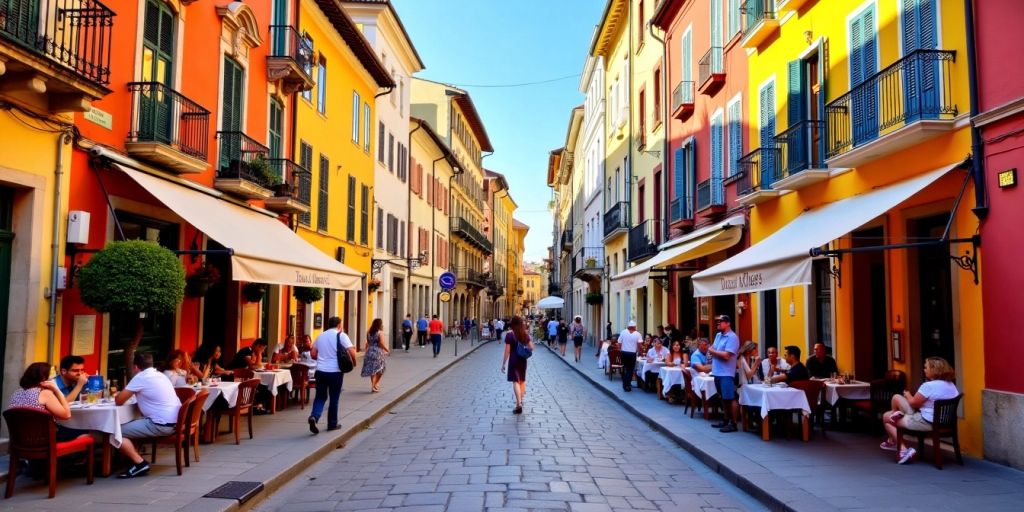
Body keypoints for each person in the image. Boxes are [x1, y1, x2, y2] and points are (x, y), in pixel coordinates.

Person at [881, 357, 959, 464]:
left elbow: (913, 403)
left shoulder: (928, 386)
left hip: (925, 422)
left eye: (926, 367)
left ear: (933, 369)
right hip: (943, 422)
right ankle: (898, 417)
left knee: (887, 419)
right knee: (896, 397)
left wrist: (908, 394)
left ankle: (903, 450)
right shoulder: (951, 385)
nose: (924, 370)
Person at [114, 353, 182, 478]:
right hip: (174, 422)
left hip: (161, 424)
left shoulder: (141, 377)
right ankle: (131, 460)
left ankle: (139, 463)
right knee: (131, 424)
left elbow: (119, 400)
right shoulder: (160, 375)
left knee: (114, 431)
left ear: (135, 367)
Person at [8, 362, 88, 442]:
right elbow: (67, 415)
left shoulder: (16, 393)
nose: (53, 380)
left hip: (20, 440)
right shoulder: (45, 393)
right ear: (44, 379)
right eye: (51, 378)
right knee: (87, 431)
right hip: (44, 440)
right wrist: (56, 389)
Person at [308, 316, 356, 434]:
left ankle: (314, 416)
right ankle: (332, 424)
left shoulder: (320, 336)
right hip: (335, 372)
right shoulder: (341, 335)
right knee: (334, 397)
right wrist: (354, 363)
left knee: (320, 396)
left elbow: (313, 354)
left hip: (320, 371)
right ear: (339, 325)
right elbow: (352, 351)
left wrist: (321, 357)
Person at [708, 315, 740, 433]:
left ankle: (734, 423)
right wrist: (713, 351)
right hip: (716, 371)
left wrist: (712, 351)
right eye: (717, 322)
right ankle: (726, 419)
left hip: (726, 372)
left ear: (728, 323)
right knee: (722, 397)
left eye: (720, 322)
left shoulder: (732, 338)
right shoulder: (718, 335)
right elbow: (714, 348)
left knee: (730, 397)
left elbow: (727, 356)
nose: (718, 324)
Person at [500, 316, 534, 414]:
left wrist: (503, 364)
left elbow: (507, 351)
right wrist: (525, 349)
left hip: (514, 360)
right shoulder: (525, 334)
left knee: (515, 381)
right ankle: (520, 402)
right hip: (523, 360)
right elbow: (532, 347)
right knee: (522, 381)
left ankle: (518, 404)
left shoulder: (509, 335)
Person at [361, 318, 390, 393]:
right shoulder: (380, 332)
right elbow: (381, 343)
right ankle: (375, 384)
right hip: (378, 352)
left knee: (372, 370)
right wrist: (387, 350)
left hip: (370, 351)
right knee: (381, 369)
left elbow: (367, 343)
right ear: (380, 324)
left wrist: (366, 351)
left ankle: (374, 385)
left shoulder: (368, 332)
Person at [618, 320, 642, 392]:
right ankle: (627, 384)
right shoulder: (638, 334)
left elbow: (619, 342)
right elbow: (640, 345)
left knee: (625, 368)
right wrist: (639, 351)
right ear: (634, 327)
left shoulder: (623, 332)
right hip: (632, 354)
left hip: (624, 353)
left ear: (628, 326)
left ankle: (625, 383)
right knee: (630, 369)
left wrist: (620, 350)